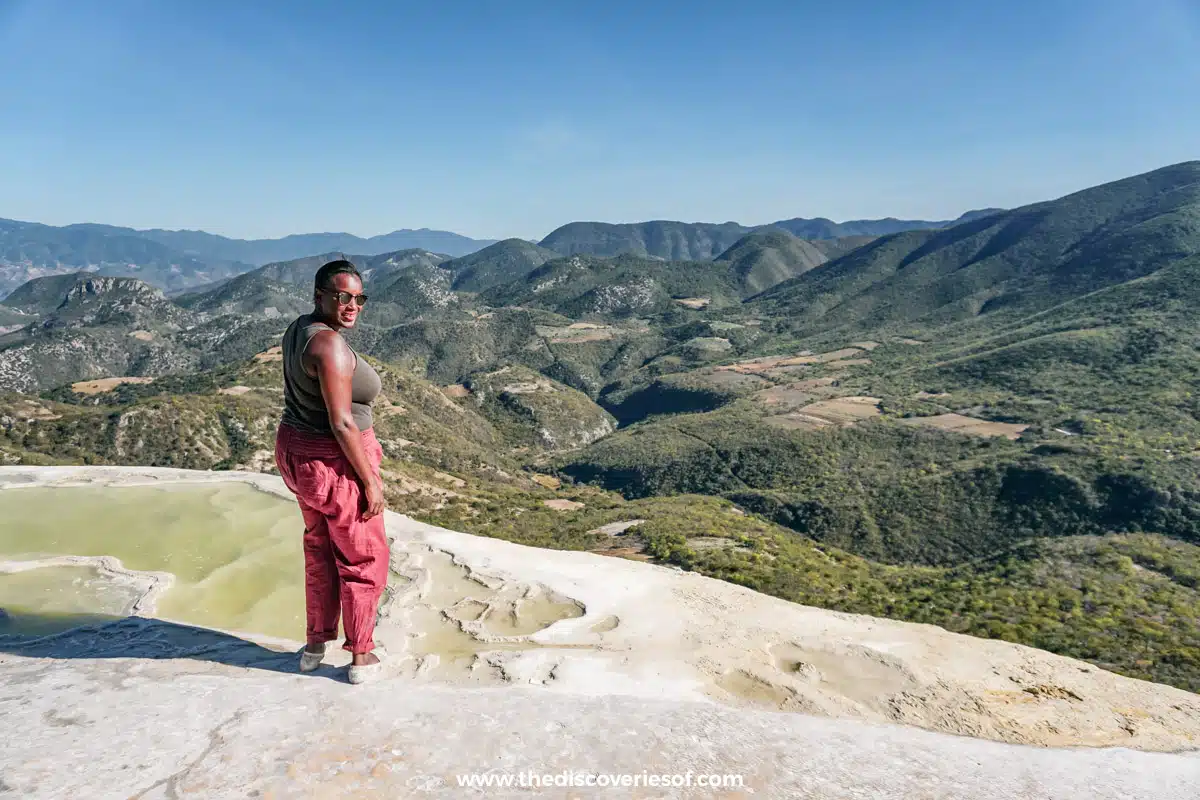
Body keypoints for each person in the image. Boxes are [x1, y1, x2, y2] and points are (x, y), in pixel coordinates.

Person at [273, 259, 389, 684]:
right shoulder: (330, 347)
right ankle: (360, 658)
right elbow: (342, 422)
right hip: (333, 461)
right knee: (361, 555)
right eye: (342, 297)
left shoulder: (298, 329)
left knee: (319, 549)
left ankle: (314, 647)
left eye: (359, 298)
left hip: (298, 452)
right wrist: (369, 480)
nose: (352, 305)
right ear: (319, 295)